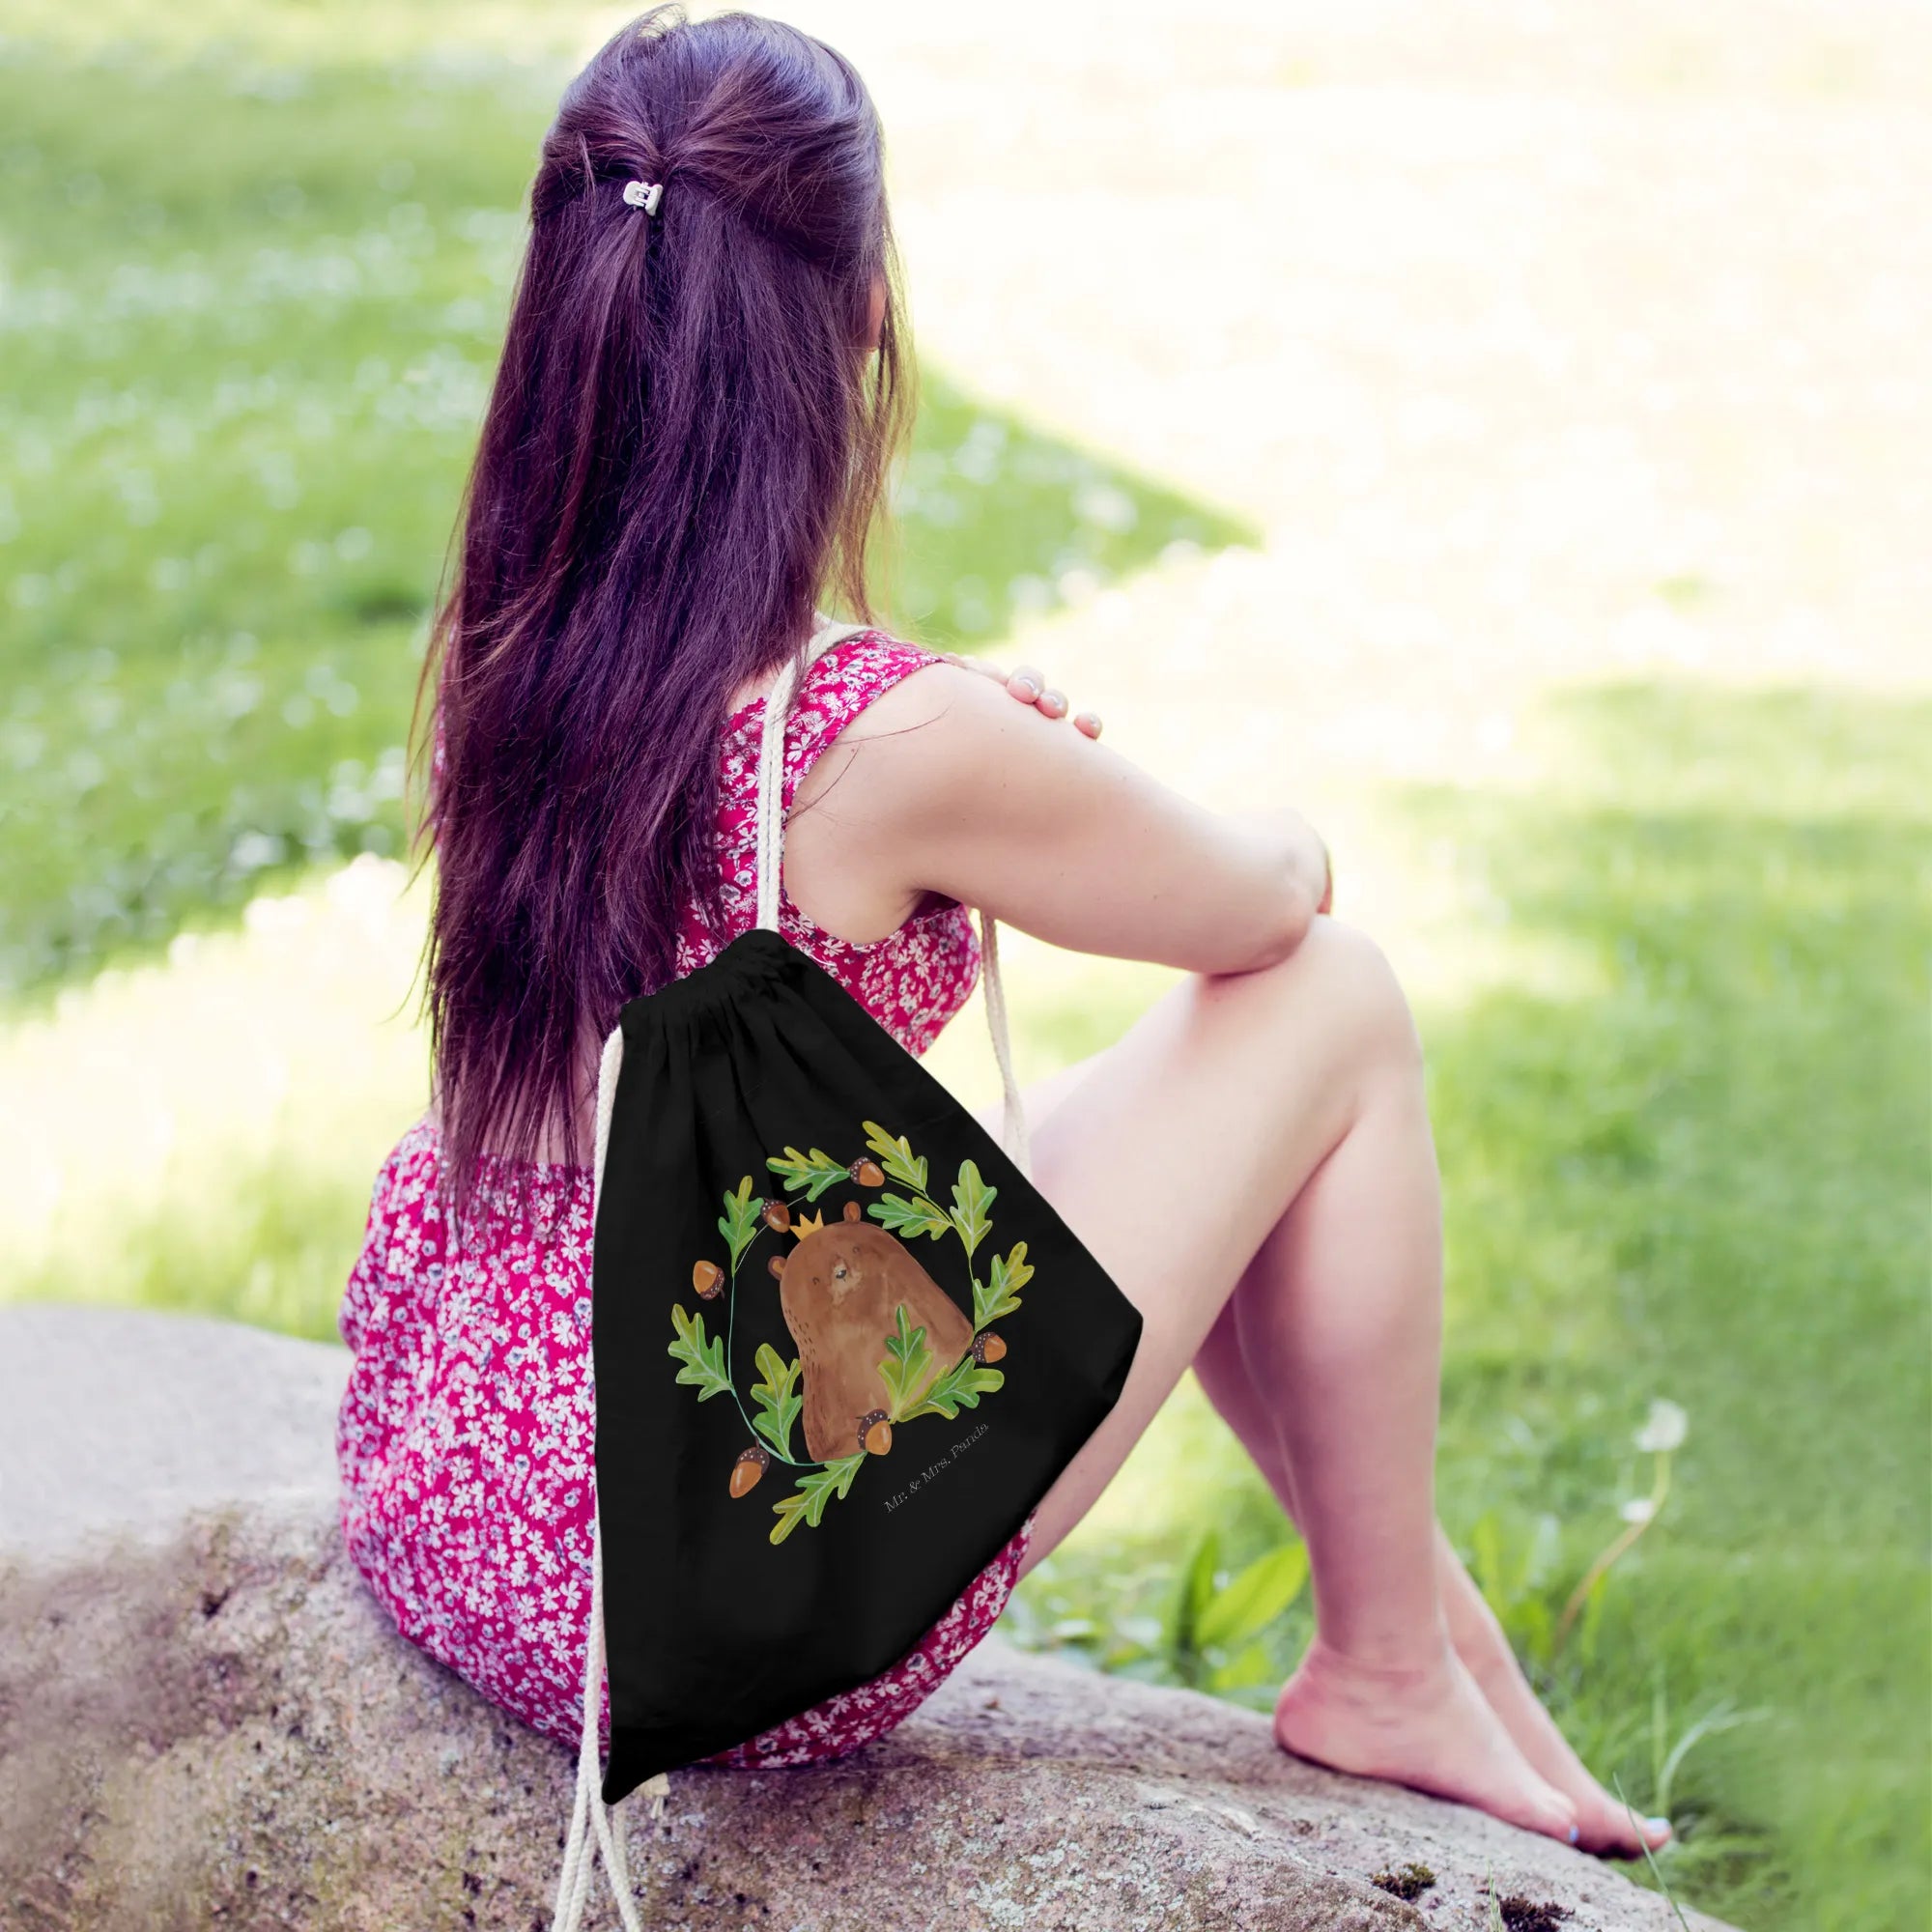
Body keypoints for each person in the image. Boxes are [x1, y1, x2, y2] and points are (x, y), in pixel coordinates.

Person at [335, 3, 1671, 1860]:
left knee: (1177, 1144)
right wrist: (1151, 801)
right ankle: (1384, 1660)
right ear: (864, 310)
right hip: (739, 1560)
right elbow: (1260, 906)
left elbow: (777, 822)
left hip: (474, 1501)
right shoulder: (886, 739)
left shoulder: (515, 646)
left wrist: (962, 754)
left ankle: (1440, 1648)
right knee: (1333, 1005)